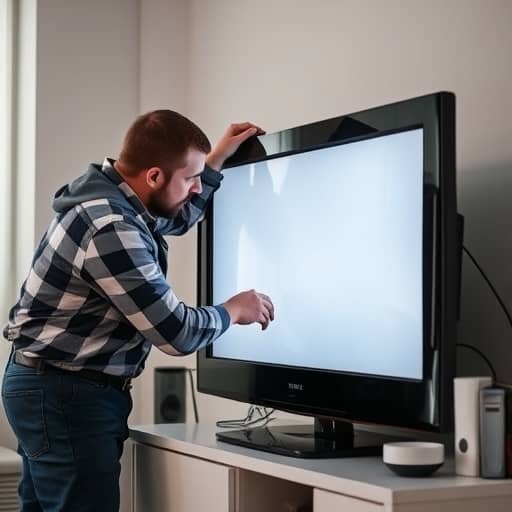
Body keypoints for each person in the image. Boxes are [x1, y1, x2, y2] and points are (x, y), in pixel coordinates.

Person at [1, 110, 275, 512]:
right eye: (190, 178)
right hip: (67, 395)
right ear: (153, 176)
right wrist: (233, 310)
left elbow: (174, 217)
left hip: (46, 385)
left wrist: (213, 160)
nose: (197, 189)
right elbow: (176, 333)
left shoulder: (107, 198)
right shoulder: (110, 226)